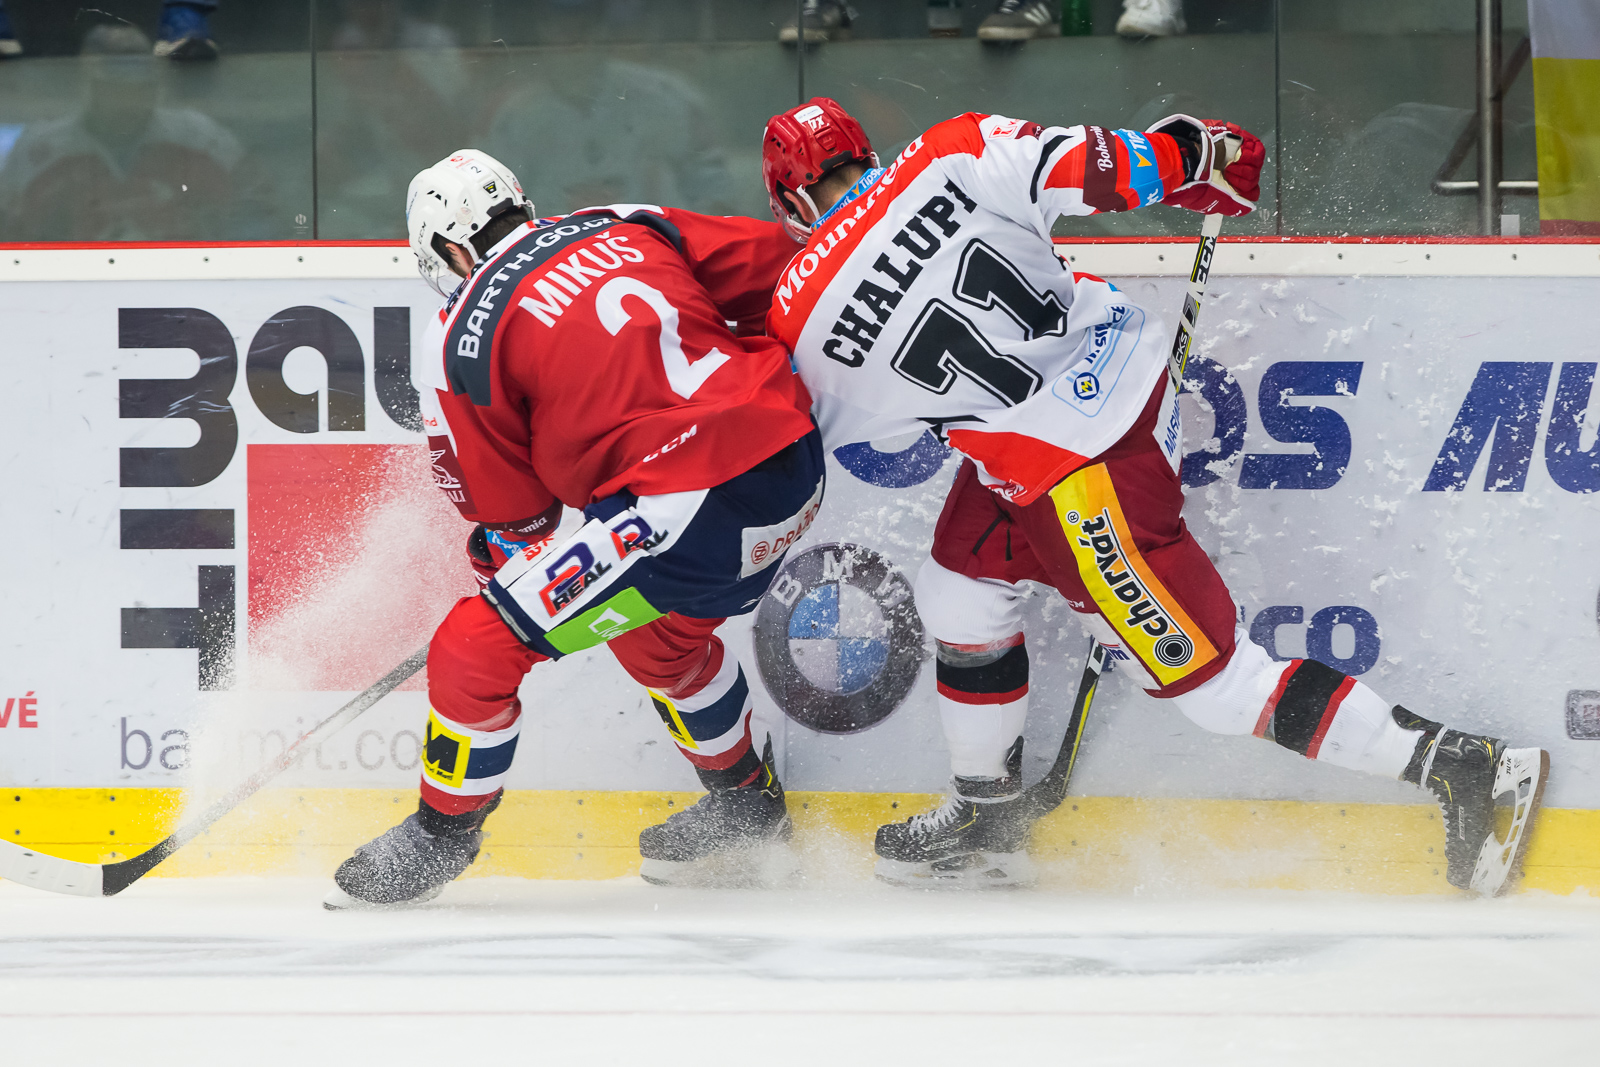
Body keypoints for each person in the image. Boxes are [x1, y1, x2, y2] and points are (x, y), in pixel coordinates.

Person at [758, 98, 1549, 894]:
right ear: (864, 151)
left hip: (1083, 474)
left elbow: (834, 451)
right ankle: (986, 812)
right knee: (958, 589)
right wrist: (1204, 158)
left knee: (1216, 685)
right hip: (1123, 382)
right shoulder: (948, 150)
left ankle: (1464, 765)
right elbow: (1106, 165)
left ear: (791, 201)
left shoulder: (802, 314)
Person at [326, 150, 825, 907]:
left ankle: (440, 837)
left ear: (450, 249)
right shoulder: (622, 222)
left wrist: (507, 567)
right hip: (792, 462)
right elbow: (791, 267)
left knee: (474, 647)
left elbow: (517, 519)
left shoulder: (462, 328)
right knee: (655, 637)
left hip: (684, 508)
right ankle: (747, 809)